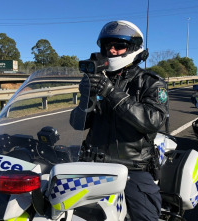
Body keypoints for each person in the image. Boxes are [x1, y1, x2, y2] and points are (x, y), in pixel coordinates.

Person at [70, 20, 168, 220]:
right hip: (91, 164)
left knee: (146, 217)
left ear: (132, 48)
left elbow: (153, 120)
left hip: (132, 168)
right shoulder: (98, 78)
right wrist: (86, 97)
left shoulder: (150, 82)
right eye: (108, 46)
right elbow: (77, 123)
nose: (112, 50)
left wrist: (111, 93)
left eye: (119, 46)